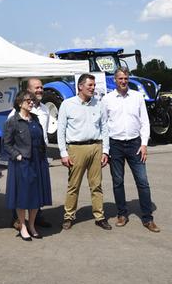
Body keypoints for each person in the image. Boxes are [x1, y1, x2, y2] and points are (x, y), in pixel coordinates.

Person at [102, 67, 160, 232]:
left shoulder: (137, 97)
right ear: (115, 80)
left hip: (135, 144)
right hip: (115, 145)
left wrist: (144, 144)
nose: (123, 81)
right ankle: (122, 214)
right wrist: (105, 149)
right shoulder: (107, 99)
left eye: (126, 78)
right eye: (120, 78)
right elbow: (104, 126)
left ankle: (148, 218)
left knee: (143, 182)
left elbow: (145, 122)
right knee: (118, 182)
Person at [57, 73, 112, 231]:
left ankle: (99, 217)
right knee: (73, 185)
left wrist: (105, 151)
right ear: (80, 86)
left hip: (96, 147)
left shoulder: (99, 104)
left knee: (96, 185)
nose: (93, 88)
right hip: (76, 148)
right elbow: (60, 131)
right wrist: (63, 153)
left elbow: (104, 128)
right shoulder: (67, 104)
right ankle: (68, 216)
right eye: (90, 85)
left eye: (94, 85)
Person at [3, 91, 52, 240]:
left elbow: (40, 138)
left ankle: (31, 225)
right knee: (23, 196)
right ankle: (22, 226)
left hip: (38, 161)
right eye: (28, 101)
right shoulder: (13, 121)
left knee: (35, 196)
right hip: (22, 163)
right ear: (19, 103)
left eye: (32, 100)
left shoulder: (35, 119)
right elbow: (7, 143)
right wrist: (16, 155)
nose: (31, 103)